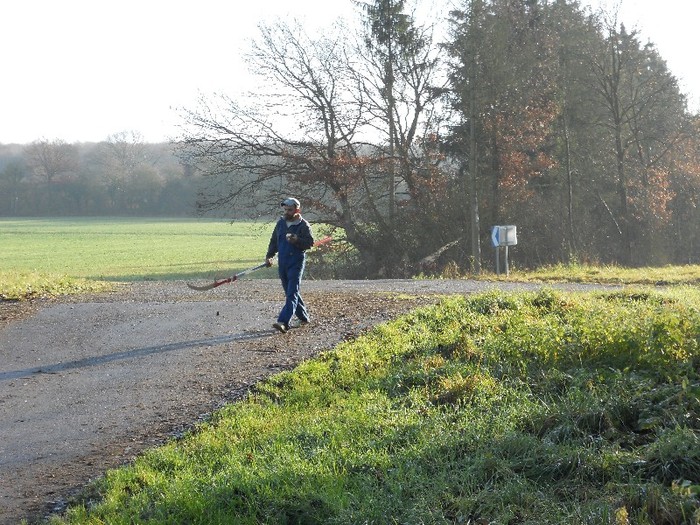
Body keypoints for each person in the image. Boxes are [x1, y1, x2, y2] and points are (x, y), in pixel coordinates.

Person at [265, 197, 314, 333]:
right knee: (290, 292)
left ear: (297, 210)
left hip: (296, 262)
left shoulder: (303, 225)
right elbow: (274, 242)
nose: (287, 212)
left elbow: (309, 243)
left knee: (292, 293)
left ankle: (283, 322)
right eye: (285, 209)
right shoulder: (280, 223)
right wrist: (269, 256)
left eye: (290, 210)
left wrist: (297, 239)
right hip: (283, 262)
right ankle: (304, 318)